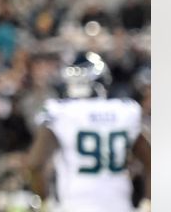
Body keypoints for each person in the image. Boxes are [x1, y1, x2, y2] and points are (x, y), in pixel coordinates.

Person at [27, 52, 152, 212]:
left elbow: (35, 163)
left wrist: (44, 201)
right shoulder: (125, 111)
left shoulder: (61, 113)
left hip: (75, 205)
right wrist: (148, 203)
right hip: (119, 206)